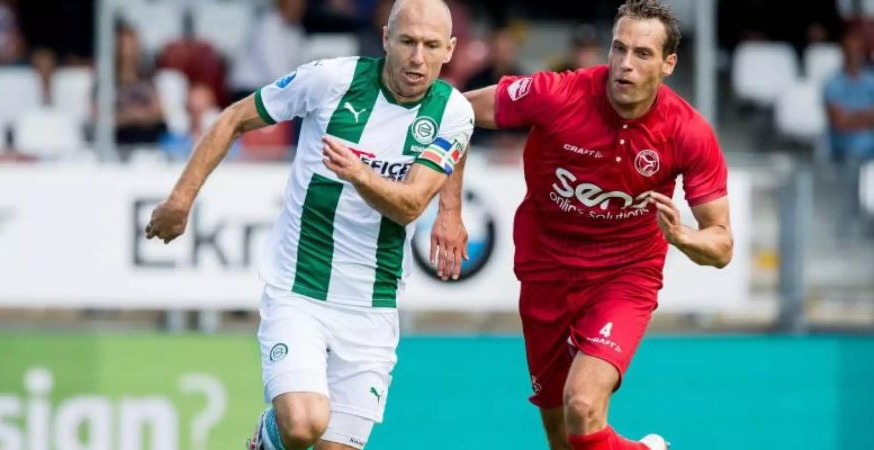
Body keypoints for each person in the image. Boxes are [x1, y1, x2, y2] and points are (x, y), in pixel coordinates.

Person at [144, 0, 473, 448]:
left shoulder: (453, 112)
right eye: (407, 42)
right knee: (303, 424)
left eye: (431, 45)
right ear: (385, 39)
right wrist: (181, 200)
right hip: (300, 288)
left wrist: (372, 179)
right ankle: (267, 436)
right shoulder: (332, 80)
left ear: (450, 49)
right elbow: (234, 118)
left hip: (373, 304)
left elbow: (411, 205)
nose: (417, 58)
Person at [453, 1, 733, 449]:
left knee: (582, 404)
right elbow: (456, 115)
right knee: (561, 432)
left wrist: (683, 237)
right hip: (545, 269)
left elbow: (721, 244)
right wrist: (449, 212)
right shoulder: (557, 94)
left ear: (668, 63)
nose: (625, 64)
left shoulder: (688, 132)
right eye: (619, 48)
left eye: (642, 54)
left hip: (625, 276)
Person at [824, 25, 874, 238]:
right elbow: (840, 122)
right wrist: (867, 116)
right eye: (850, 51)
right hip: (844, 152)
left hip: (870, 150)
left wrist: (854, 117)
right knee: (854, 165)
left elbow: (847, 118)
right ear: (843, 53)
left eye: (858, 51)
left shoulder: (871, 80)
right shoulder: (833, 83)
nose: (855, 56)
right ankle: (847, 230)